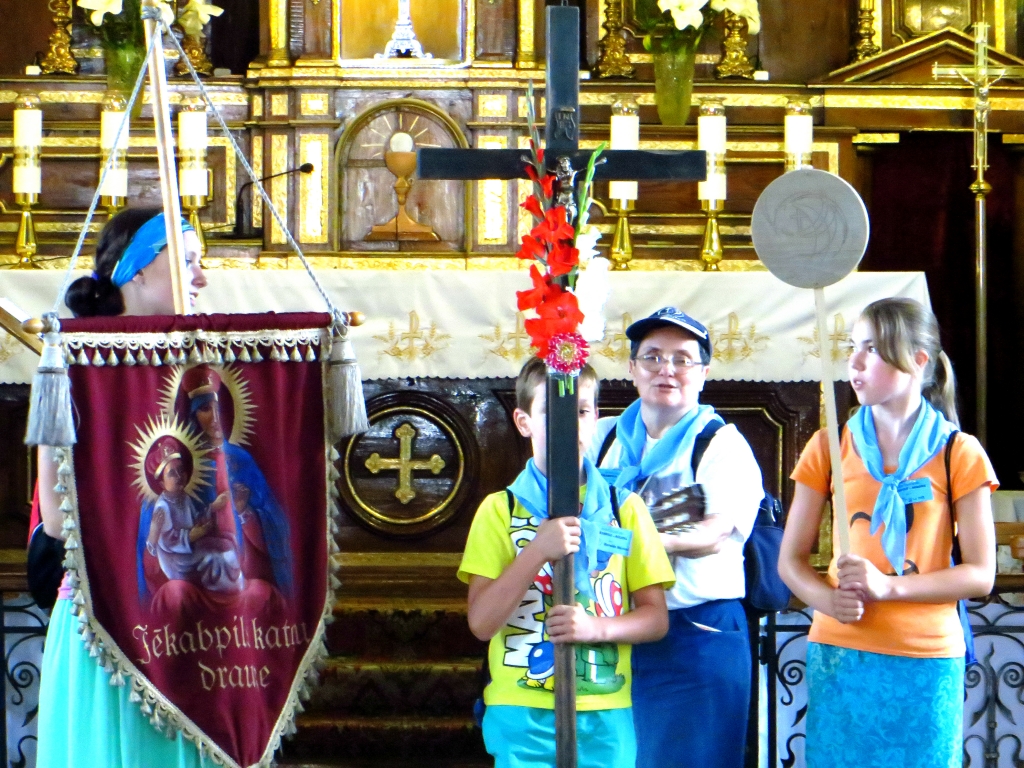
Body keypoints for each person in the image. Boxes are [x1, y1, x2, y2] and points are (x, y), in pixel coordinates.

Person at [777, 297, 997, 768]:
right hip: (841, 650)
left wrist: (888, 586)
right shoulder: (829, 444)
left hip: (928, 656)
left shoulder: (960, 451)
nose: (854, 363)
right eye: (853, 347)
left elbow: (981, 575)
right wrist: (826, 600)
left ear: (918, 360)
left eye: (872, 349)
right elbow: (790, 561)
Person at [36, 208, 208, 768]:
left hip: (193, 627)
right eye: (187, 262)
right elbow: (60, 522)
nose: (202, 278)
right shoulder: (73, 361)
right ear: (136, 272)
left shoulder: (206, 367)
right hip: (106, 627)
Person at [458, 357, 674, 768]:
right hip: (521, 707)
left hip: (604, 709)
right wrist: (536, 551)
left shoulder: (624, 509)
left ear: (596, 419)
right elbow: (482, 623)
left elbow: (655, 619)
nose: (569, 424)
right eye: (551, 412)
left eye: (581, 411)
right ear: (523, 421)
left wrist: (597, 628)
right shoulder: (499, 511)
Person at [587, 307, 764, 768]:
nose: (667, 369)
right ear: (631, 369)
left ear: (703, 374)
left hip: (695, 634)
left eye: (682, 359)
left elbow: (714, 532)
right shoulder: (602, 437)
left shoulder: (721, 443)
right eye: (653, 357)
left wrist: (631, 542)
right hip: (614, 633)